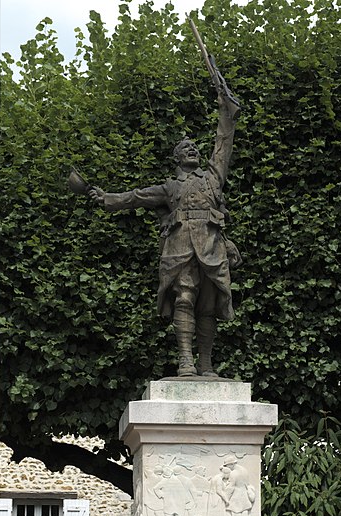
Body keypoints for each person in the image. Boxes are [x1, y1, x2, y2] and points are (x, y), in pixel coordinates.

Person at [89, 88, 241, 377]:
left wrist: (225, 112)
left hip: (211, 245)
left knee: (208, 305)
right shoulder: (169, 188)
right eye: (186, 149)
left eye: (195, 148)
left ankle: (206, 365)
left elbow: (223, 145)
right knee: (184, 297)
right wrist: (107, 198)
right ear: (177, 159)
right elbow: (135, 196)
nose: (193, 150)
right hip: (180, 246)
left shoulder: (212, 178)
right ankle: (186, 360)